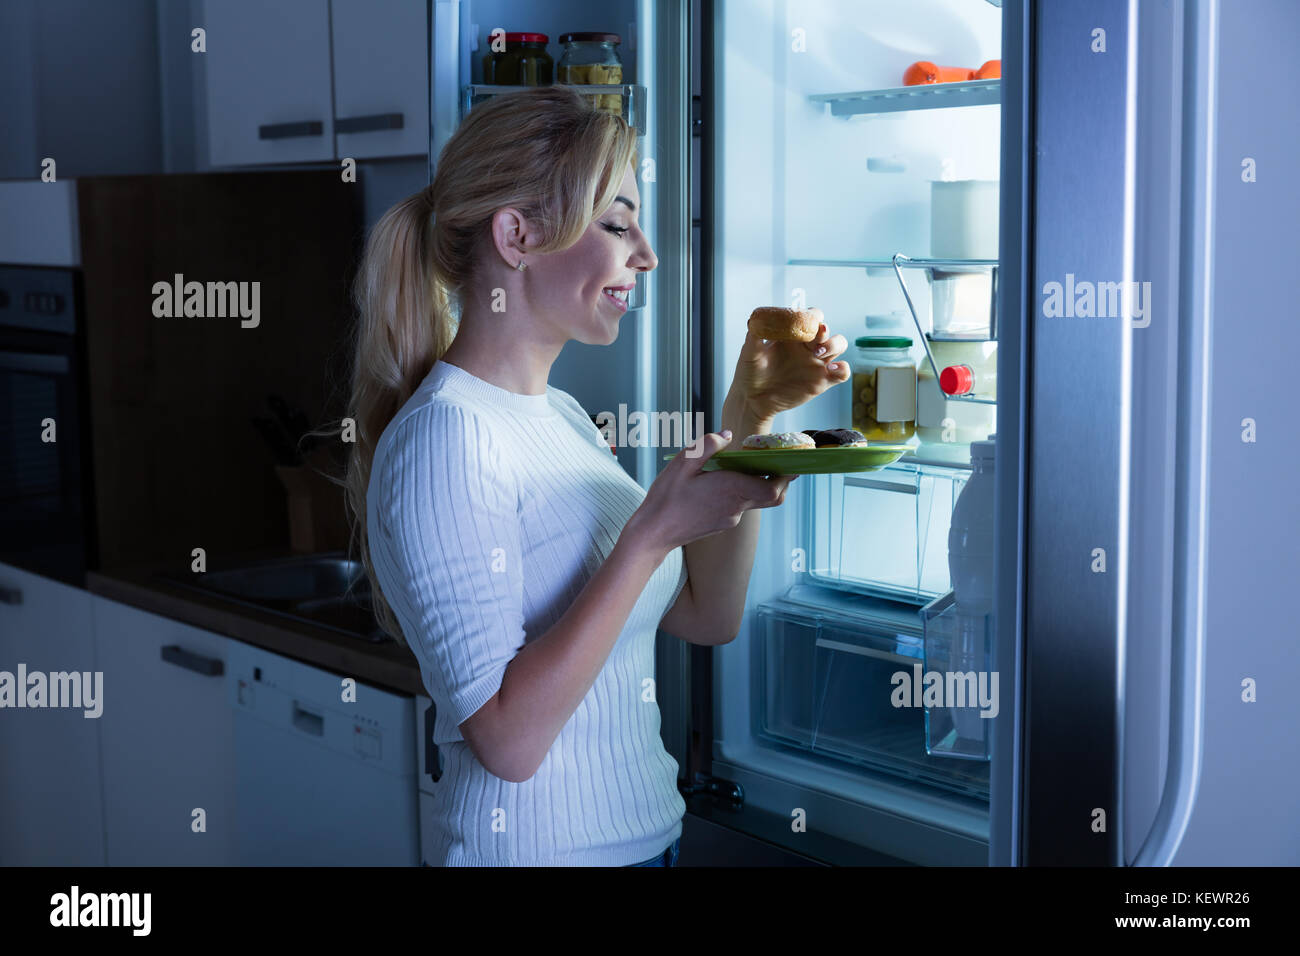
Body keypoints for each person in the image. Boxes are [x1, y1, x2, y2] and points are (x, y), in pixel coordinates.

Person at [344, 86, 851, 866]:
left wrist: (749, 419)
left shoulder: (564, 418)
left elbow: (705, 614)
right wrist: (650, 534)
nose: (645, 253)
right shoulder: (445, 440)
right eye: (617, 224)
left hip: (647, 842)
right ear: (516, 236)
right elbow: (508, 741)